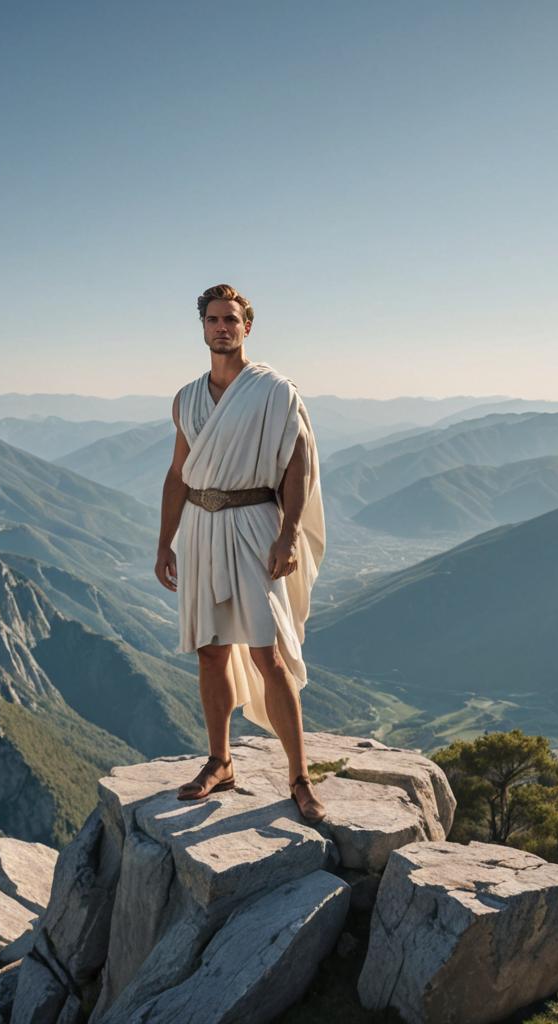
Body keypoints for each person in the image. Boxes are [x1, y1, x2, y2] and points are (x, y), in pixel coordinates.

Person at [154, 283, 327, 823]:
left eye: (231, 319)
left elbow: (296, 467)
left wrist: (289, 534)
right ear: (202, 328)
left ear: (246, 327)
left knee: (266, 653)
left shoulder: (274, 391)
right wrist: (165, 541)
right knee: (209, 650)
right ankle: (220, 762)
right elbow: (178, 473)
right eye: (213, 319)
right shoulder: (186, 398)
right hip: (201, 528)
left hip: (255, 524)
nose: (222, 327)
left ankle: (299, 777)